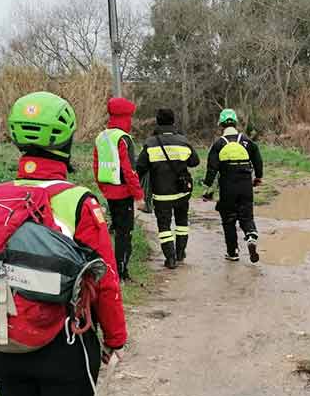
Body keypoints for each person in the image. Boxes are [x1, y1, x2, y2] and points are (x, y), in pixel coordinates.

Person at [0, 91, 127, 396]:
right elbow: (104, 279)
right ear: (67, 140)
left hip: (6, 339)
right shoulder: (77, 201)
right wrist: (115, 338)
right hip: (65, 342)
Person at [135, 108, 200, 269]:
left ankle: (170, 258)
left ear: (157, 122)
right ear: (173, 122)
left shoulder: (150, 143)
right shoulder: (183, 141)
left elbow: (140, 167)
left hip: (161, 194)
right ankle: (180, 253)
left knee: (164, 226)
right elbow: (194, 162)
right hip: (182, 192)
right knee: (182, 222)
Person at [93, 97, 145, 282]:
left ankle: (112, 268)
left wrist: (104, 189)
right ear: (126, 117)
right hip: (123, 192)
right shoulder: (123, 138)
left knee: (115, 230)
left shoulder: (102, 136)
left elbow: (96, 165)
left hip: (109, 191)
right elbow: (129, 170)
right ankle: (121, 272)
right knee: (125, 233)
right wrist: (139, 196)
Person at [202, 109, 263, 263]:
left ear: (221, 125)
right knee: (246, 215)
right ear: (235, 123)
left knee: (228, 219)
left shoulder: (219, 143)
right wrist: (258, 177)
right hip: (245, 184)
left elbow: (212, 169)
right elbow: (258, 160)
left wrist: (207, 188)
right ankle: (250, 235)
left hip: (227, 185)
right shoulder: (247, 141)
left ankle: (233, 252)